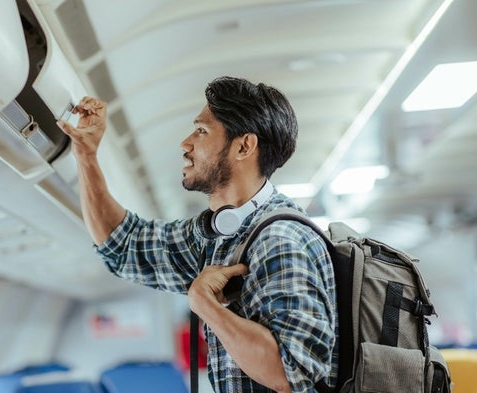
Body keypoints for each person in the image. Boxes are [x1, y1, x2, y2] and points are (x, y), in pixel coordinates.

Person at [57, 76, 339, 393]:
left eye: (202, 131)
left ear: (244, 146)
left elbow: (291, 371)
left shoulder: (280, 240)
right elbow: (124, 245)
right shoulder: (219, 234)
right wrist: (86, 154)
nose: (185, 143)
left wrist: (205, 305)